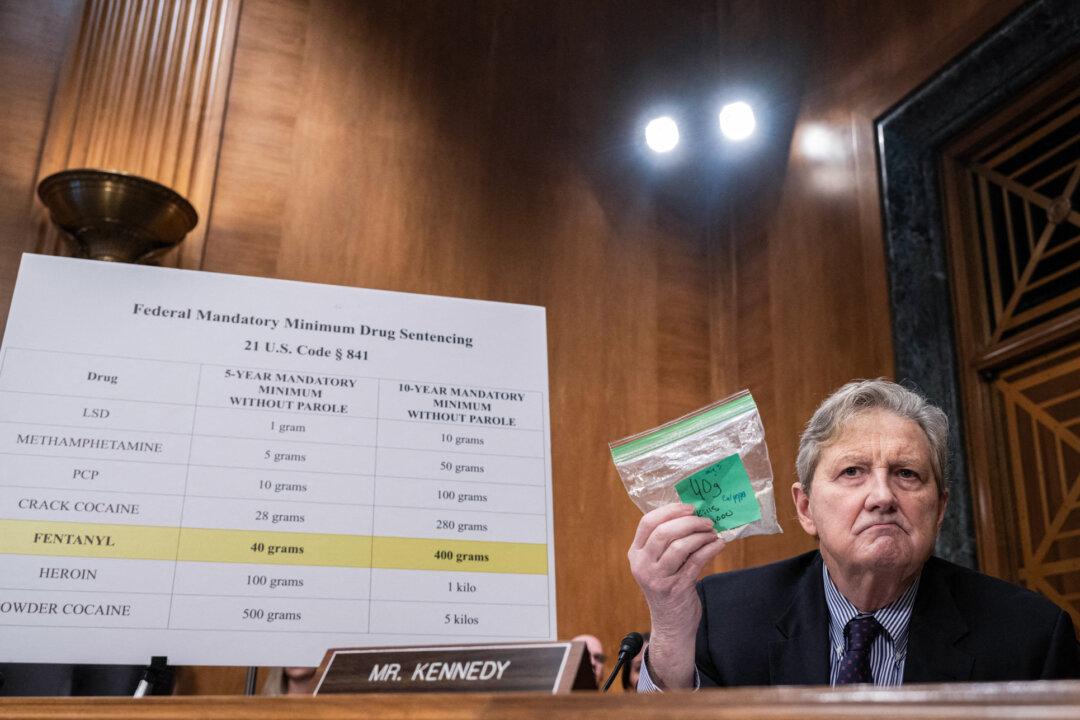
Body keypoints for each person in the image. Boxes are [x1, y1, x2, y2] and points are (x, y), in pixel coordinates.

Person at [629, 378, 1080, 689]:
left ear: (940, 509)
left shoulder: (1032, 636)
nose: (881, 496)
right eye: (852, 472)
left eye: (907, 474)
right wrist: (669, 622)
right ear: (805, 508)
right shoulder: (723, 616)